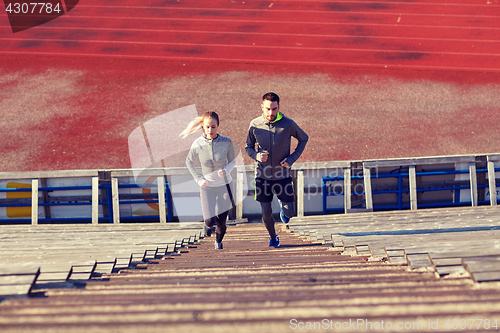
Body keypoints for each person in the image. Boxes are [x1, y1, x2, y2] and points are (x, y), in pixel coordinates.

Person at [245, 92, 309, 247]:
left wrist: (292, 159)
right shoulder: (254, 124)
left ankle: (283, 207)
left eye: (274, 109)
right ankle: (273, 237)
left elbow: (303, 138)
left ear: (279, 107)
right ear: (262, 107)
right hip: (262, 176)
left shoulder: (288, 124)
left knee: (289, 213)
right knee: (266, 212)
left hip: (283, 176)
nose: (271, 113)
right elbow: (248, 147)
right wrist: (258, 156)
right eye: (267, 109)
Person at [182, 111, 236, 250]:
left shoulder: (226, 141)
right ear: (203, 127)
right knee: (210, 220)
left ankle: (218, 242)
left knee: (222, 221)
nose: (210, 130)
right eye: (207, 127)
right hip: (207, 186)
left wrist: (225, 171)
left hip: (225, 184)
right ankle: (207, 226)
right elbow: (189, 162)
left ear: (218, 126)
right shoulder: (198, 143)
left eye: (213, 127)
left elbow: (232, 161)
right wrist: (199, 180)